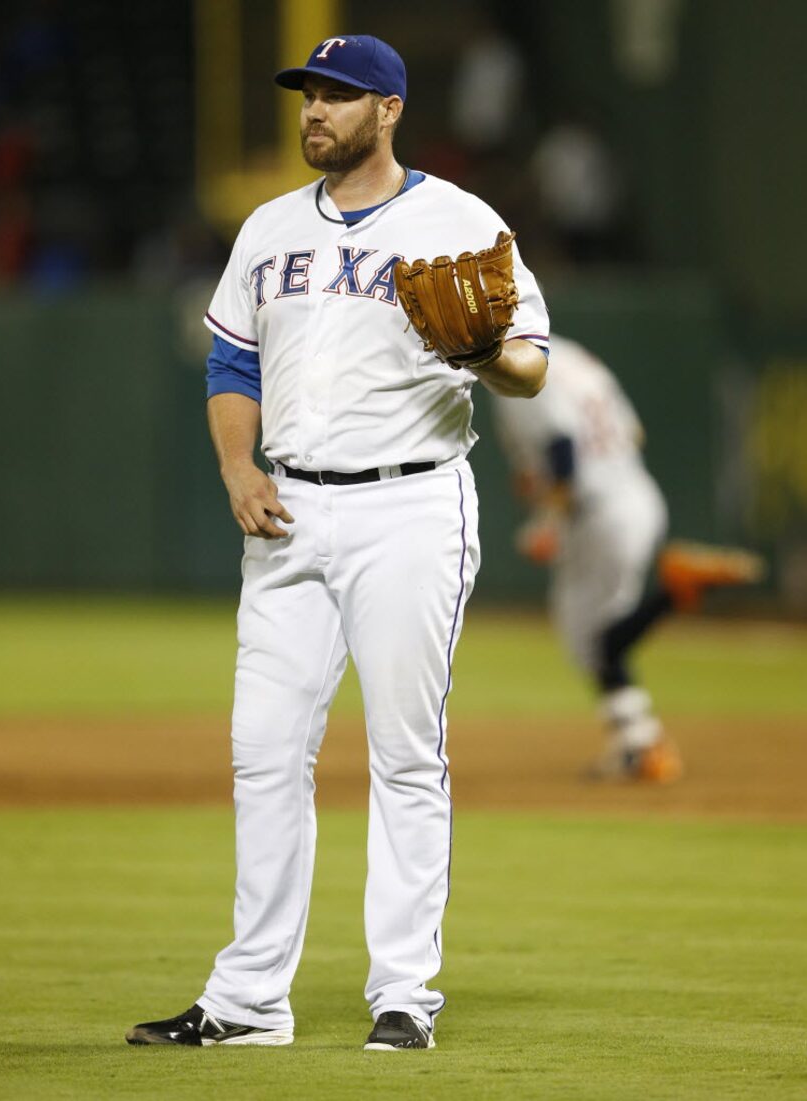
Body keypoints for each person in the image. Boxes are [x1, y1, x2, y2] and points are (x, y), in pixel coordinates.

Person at [126, 35, 549, 1052]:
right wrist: (238, 469)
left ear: (388, 109)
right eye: (308, 95)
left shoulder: (458, 219)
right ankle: (246, 1003)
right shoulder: (268, 229)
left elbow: (530, 366)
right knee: (263, 756)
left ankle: (403, 996)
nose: (315, 111)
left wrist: (483, 352)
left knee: (406, 757)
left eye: (338, 96)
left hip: (408, 510)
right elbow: (231, 365)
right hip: (286, 516)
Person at [490, 333, 763, 782]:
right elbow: (632, 431)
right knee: (600, 639)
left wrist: (550, 520)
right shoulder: (574, 357)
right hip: (637, 494)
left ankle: (675, 593)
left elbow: (561, 447)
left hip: (598, 516)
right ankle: (637, 742)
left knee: (590, 639)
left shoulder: (512, 360)